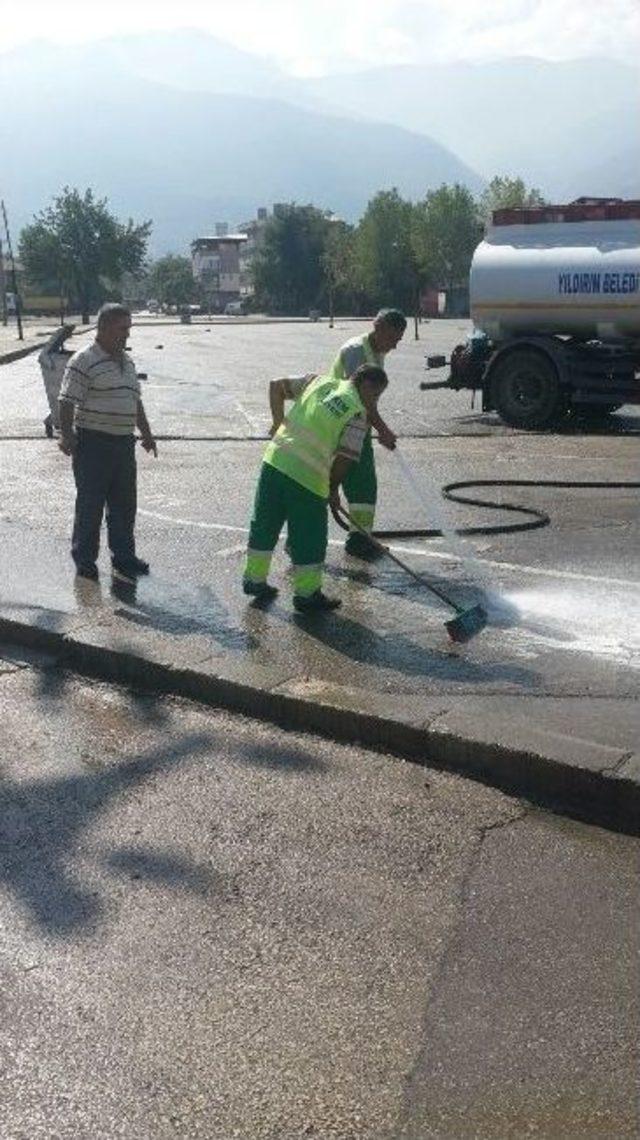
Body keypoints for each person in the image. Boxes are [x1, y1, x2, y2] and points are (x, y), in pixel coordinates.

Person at [243, 364, 389, 611]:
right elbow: (344, 460)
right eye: (375, 395)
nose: (374, 402)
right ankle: (307, 595)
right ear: (364, 385)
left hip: (275, 462)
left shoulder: (317, 382)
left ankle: (254, 581)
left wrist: (279, 423)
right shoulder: (357, 415)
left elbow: (276, 386)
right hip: (308, 478)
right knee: (309, 537)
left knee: (264, 524)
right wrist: (332, 490)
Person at [58, 303, 157, 582]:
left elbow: (135, 401)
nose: (127, 334)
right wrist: (66, 435)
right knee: (90, 504)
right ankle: (85, 560)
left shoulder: (127, 362)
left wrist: (147, 435)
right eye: (122, 328)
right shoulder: (83, 360)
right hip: (93, 444)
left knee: (124, 505)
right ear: (103, 328)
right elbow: (66, 401)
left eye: (129, 329)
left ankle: (124, 558)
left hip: (123, 444)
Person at [328, 308, 406, 557]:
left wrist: (377, 428)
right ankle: (300, 542)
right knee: (325, 485)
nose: (394, 346)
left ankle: (360, 538)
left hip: (358, 427)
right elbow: (360, 398)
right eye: (393, 339)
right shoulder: (355, 351)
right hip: (339, 427)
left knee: (364, 486)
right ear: (379, 327)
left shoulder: (375, 351)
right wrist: (383, 429)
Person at [38, 324, 76, 438]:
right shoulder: (47, 357)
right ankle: (56, 422)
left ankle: (53, 421)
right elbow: (43, 356)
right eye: (68, 334)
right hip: (52, 367)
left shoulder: (52, 352)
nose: (69, 335)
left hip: (56, 367)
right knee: (58, 398)